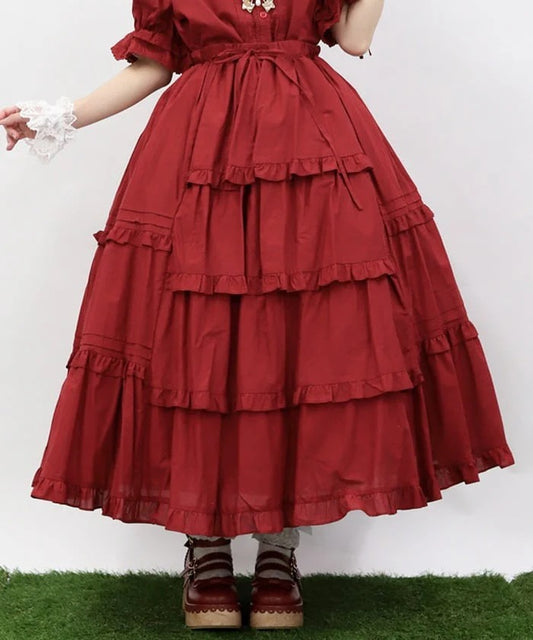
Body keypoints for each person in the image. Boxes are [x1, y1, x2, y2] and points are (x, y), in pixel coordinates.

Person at [0, 0, 515, 631]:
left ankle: (279, 550)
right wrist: (59, 117)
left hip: (313, 153)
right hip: (200, 158)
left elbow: (353, 40)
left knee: (306, 339)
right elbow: (153, 65)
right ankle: (206, 549)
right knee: (200, 341)